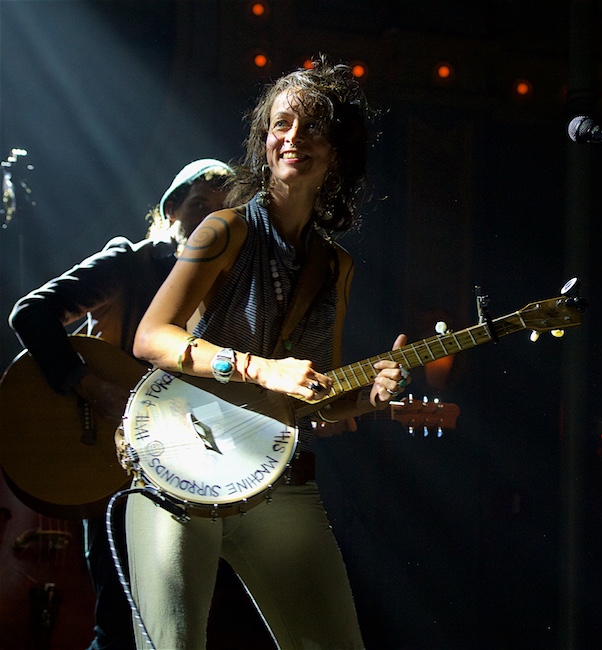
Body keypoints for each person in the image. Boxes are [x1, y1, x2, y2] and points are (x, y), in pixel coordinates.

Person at [126, 55, 409, 649]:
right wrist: (258, 367)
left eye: (312, 128)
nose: (294, 138)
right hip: (180, 461)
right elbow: (151, 337)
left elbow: (316, 399)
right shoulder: (223, 230)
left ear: (336, 153)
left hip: (272, 474)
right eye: (282, 124)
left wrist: (371, 397)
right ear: (263, 141)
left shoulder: (337, 265)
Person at [7, 158, 234, 649]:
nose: (208, 220)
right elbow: (31, 314)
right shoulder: (129, 264)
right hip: (111, 459)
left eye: (221, 211)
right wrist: (92, 386)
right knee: (120, 622)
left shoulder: (227, 292)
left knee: (177, 624)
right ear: (171, 210)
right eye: (199, 206)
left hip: (183, 465)